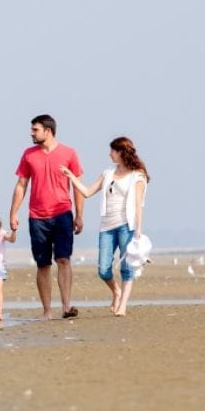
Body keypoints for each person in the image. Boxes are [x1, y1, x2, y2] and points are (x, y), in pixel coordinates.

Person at [61, 135, 150, 316]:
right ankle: (116, 291)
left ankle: (122, 306)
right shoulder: (107, 173)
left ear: (121, 152)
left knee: (127, 267)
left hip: (127, 225)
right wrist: (71, 176)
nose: (110, 154)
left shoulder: (137, 175)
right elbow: (87, 192)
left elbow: (138, 205)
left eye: (112, 151)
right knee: (103, 269)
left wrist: (138, 230)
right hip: (107, 227)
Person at [9, 114, 84, 320]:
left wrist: (79, 215)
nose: (31, 133)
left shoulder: (69, 153)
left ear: (47, 131)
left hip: (62, 214)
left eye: (35, 130)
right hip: (37, 217)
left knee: (63, 259)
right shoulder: (28, 155)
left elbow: (77, 187)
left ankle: (67, 307)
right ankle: (47, 311)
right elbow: (21, 185)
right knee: (43, 264)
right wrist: (13, 213)